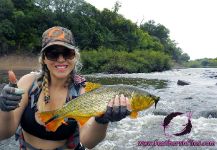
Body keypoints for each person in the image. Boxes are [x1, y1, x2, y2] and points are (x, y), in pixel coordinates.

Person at [0, 26, 131, 150]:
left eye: (67, 53)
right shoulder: (28, 83)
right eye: (53, 53)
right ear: (44, 59)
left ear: (75, 57)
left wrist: (102, 120)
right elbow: (4, 134)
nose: (61, 59)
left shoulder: (83, 91)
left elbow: (88, 142)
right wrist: (5, 109)